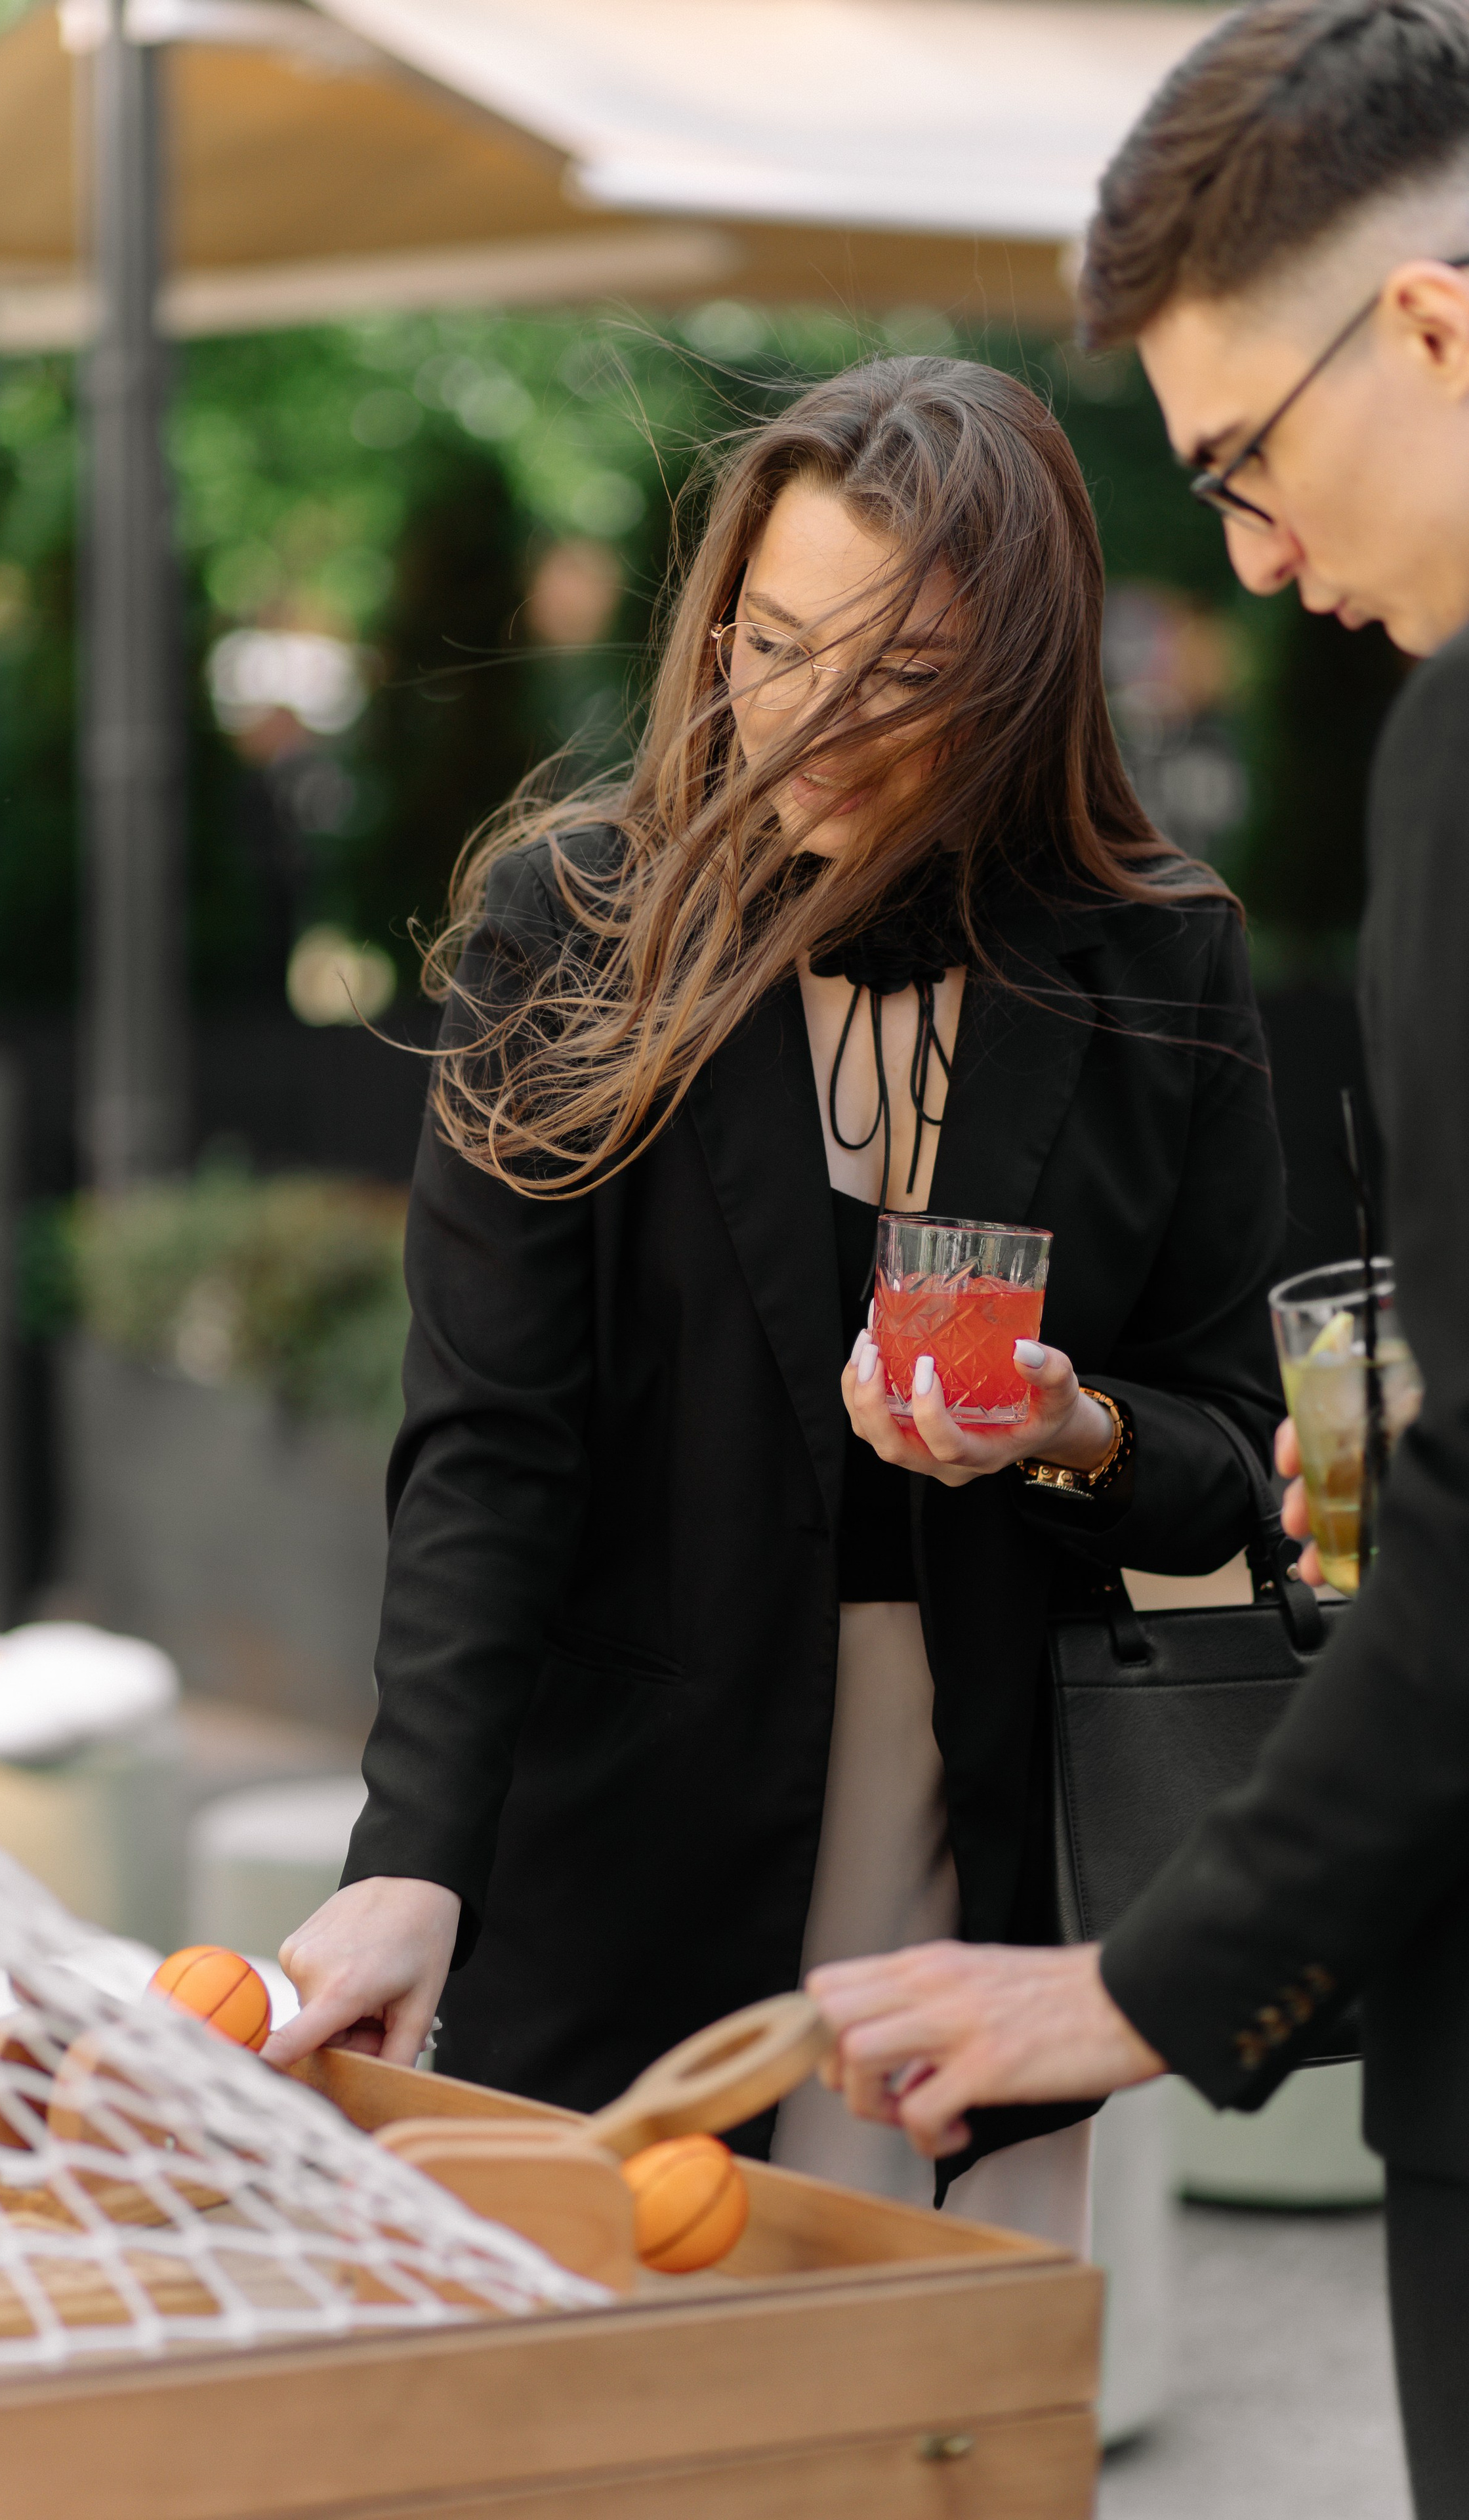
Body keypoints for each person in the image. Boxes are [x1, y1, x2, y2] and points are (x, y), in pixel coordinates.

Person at [264, 354, 1286, 2249]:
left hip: (987, 1840)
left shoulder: (1156, 957)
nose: (810, 721)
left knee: (923, 2409)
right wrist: (412, 1864)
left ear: (1022, 683)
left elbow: (1232, 1450)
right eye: (776, 641)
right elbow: (491, 1447)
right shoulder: (574, 925)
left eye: (900, 676)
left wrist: (1077, 1432)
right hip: (634, 1830)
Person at [807, 3, 1469, 2504]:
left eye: (1249, 463)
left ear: (1426, 328)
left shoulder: (1446, 760)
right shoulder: (597, 938)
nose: (1260, 558)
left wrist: (1144, 1986)